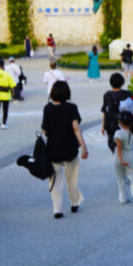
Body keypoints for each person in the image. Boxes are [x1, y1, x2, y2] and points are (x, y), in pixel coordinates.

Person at [41, 80, 88, 218]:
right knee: (71, 177)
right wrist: (83, 145)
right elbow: (76, 128)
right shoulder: (72, 107)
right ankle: (74, 203)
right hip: (70, 147)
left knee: (55, 179)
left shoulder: (47, 108)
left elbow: (44, 130)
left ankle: (57, 209)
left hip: (53, 148)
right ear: (67, 93)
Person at [113, 110, 133, 206]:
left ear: (120, 122)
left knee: (120, 179)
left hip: (119, 157)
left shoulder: (118, 133)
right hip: (130, 156)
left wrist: (121, 159)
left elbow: (119, 147)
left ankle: (123, 198)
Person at [101, 72, 132, 154]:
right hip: (124, 123)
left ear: (110, 82)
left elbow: (104, 111)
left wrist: (103, 126)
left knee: (112, 143)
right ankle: (122, 159)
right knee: (125, 144)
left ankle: (117, 158)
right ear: (122, 82)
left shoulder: (107, 95)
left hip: (110, 124)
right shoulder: (127, 94)